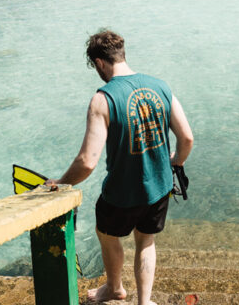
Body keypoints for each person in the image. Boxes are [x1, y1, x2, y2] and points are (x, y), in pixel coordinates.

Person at [50, 29, 194, 305]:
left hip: (120, 193)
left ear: (99, 62)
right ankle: (145, 301)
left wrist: (60, 181)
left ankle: (114, 288)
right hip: (159, 187)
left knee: (107, 235)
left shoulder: (102, 99)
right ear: (122, 54)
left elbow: (86, 162)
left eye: (95, 67)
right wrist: (177, 161)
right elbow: (186, 137)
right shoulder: (161, 86)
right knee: (146, 242)